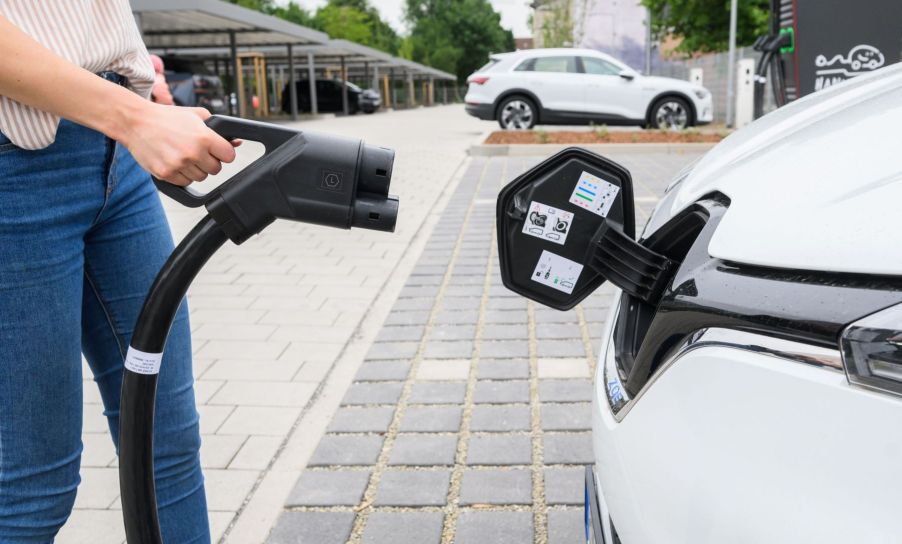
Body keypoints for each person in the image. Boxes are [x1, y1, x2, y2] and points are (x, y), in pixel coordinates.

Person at [0, 3, 235, 542]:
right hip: (15, 159)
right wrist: (130, 115)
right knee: (31, 488)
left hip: (117, 150)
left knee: (166, 445)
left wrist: (133, 82)